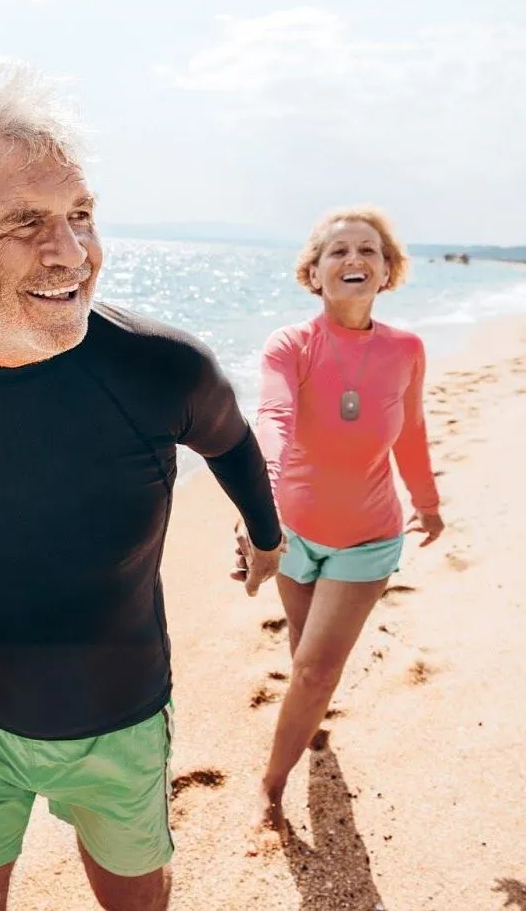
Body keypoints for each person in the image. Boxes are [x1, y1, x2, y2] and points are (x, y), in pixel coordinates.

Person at [0, 60, 285, 911]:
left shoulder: (159, 371)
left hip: (122, 726)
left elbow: (232, 444)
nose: (71, 253)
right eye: (26, 223)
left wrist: (267, 533)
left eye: (80, 216)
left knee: (134, 899)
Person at [232, 207, 444, 850]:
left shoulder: (406, 348)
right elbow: (273, 417)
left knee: (318, 669)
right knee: (304, 656)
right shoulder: (289, 345)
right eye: (338, 251)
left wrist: (428, 503)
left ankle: (271, 785)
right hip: (292, 533)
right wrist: (258, 511)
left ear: (386, 272)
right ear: (315, 272)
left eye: (368, 251)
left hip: (370, 536)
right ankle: (305, 725)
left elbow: (409, 431)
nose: (354, 259)